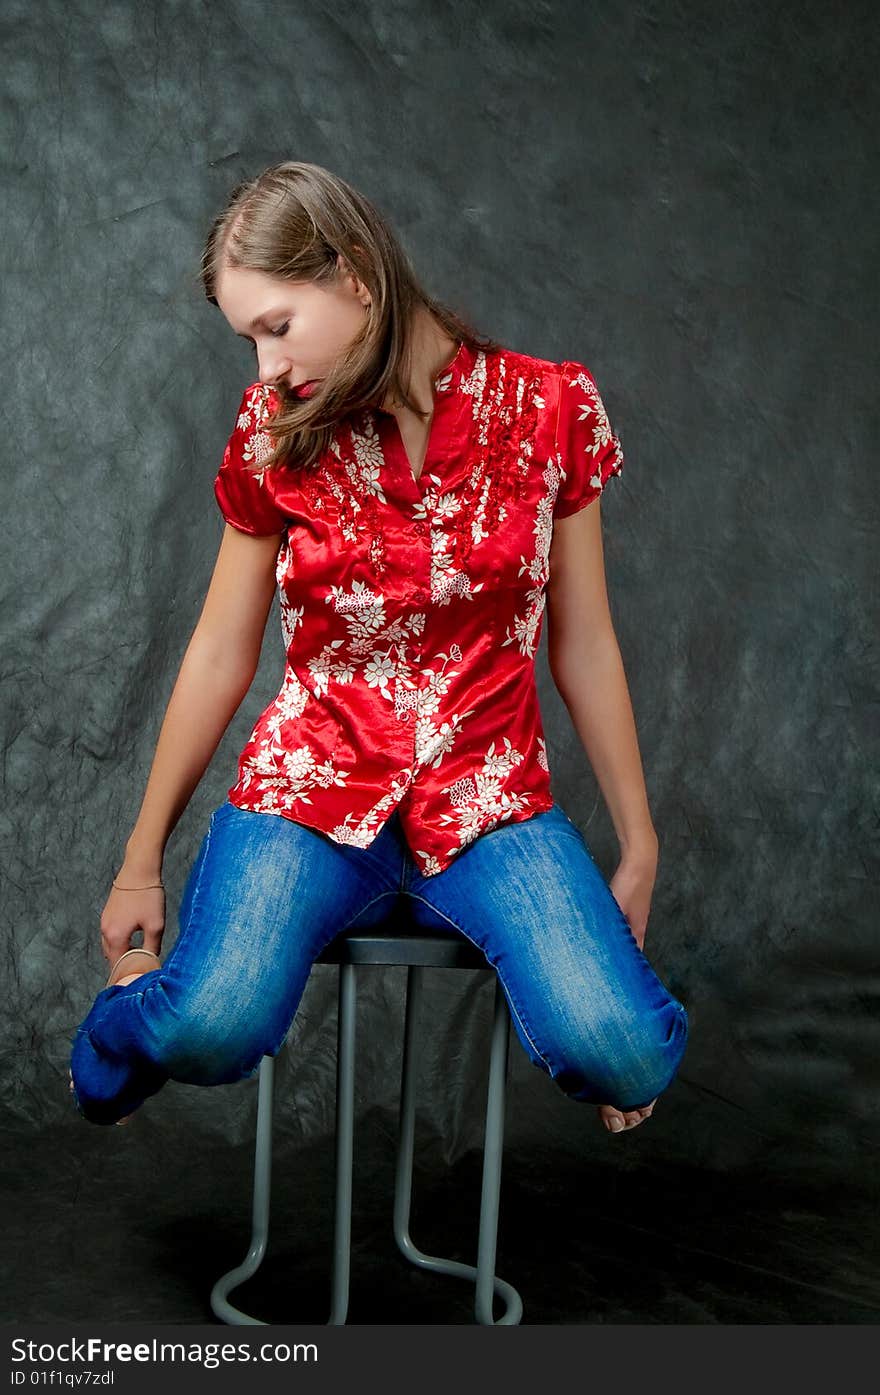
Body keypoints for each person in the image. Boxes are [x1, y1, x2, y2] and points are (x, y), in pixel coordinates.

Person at [69, 160, 688, 1133]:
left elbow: (588, 642)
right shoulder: (277, 429)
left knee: (623, 1049)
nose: (266, 368)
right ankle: (120, 1024)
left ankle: (612, 1050)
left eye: (277, 327)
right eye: (248, 340)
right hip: (309, 792)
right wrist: (139, 862)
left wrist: (639, 841)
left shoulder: (547, 410)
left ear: (355, 272)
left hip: (489, 804)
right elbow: (221, 652)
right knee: (211, 1026)